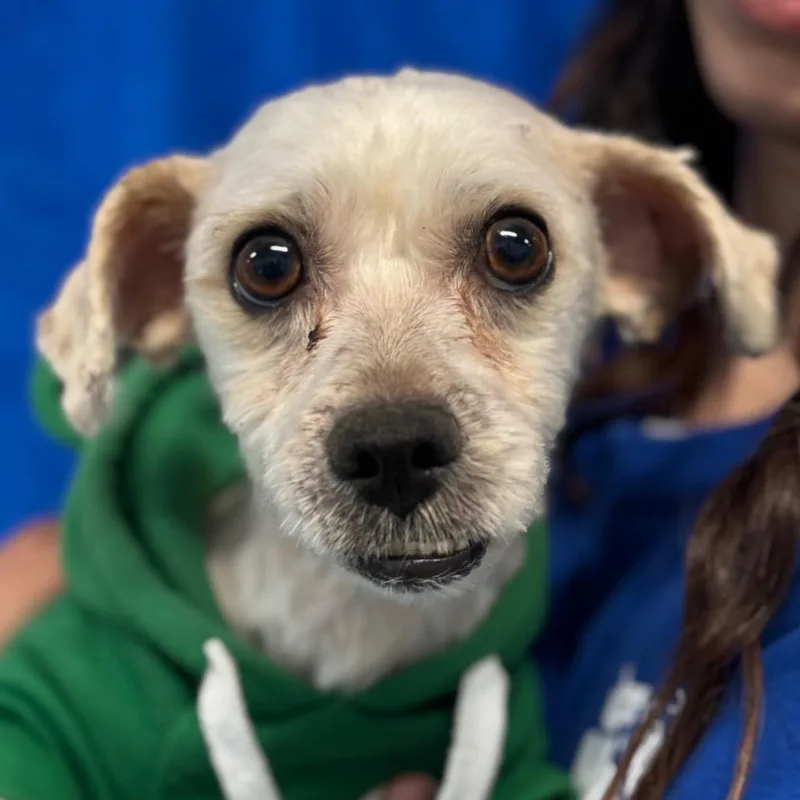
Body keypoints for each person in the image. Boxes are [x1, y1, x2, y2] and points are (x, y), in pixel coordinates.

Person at [3, 2, 799, 799]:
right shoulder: (78, 698)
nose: (392, 416)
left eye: (510, 255)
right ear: (154, 278)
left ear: (633, 241)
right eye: (271, 269)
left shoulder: (497, 689)